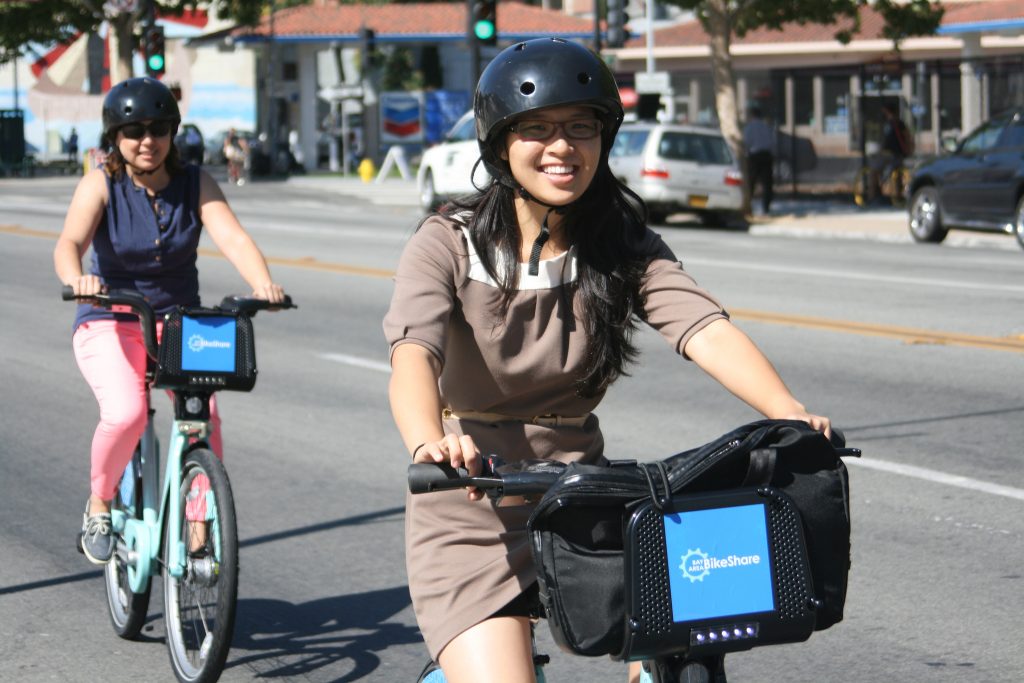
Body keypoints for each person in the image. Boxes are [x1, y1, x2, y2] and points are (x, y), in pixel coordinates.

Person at [383, 38, 830, 683]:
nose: (561, 147)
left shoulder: (620, 241)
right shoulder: (447, 242)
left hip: (583, 498)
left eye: (580, 127)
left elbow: (703, 326)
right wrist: (430, 444)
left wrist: (789, 414)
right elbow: (412, 354)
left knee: (685, 641)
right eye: (536, 129)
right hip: (470, 502)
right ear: (500, 144)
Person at [53, 77, 286, 565]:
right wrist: (78, 279)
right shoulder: (101, 182)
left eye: (158, 128)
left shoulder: (196, 182)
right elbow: (69, 244)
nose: (147, 140)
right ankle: (99, 502)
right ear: (114, 137)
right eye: (133, 130)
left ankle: (199, 529)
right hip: (109, 317)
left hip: (179, 322)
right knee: (127, 412)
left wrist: (263, 284)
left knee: (205, 419)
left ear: (172, 133)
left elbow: (235, 240)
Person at [869, 103, 912, 200]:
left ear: (887, 111)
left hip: (890, 153)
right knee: (897, 175)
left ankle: (873, 195)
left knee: (874, 171)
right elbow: (907, 137)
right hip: (898, 153)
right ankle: (898, 195)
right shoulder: (897, 123)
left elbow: (907, 137)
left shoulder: (892, 123)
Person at [743, 106, 774, 215]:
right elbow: (771, 142)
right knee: (767, 183)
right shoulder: (766, 127)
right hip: (766, 155)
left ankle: (748, 205)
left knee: (751, 182)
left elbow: (746, 142)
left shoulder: (749, 127)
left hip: (754, 156)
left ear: (752, 115)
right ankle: (766, 207)